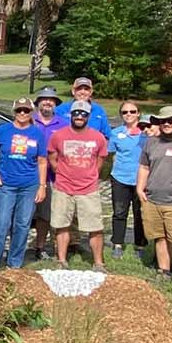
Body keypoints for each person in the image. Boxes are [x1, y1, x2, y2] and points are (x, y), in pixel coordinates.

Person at [0, 98, 48, 270]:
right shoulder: (3, 130)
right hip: (7, 184)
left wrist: (42, 186)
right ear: (14, 111)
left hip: (29, 185)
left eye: (26, 110)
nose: (22, 113)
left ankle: (15, 262)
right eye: (19, 110)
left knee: (22, 224)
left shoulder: (37, 134)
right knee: (1, 223)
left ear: (31, 113)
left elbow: (42, 161)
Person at [48, 102, 110, 271]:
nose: (79, 116)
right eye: (76, 113)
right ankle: (61, 260)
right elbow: (52, 158)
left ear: (88, 116)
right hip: (63, 188)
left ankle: (98, 262)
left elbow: (100, 161)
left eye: (83, 114)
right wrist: (61, 172)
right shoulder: (58, 136)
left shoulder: (98, 137)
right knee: (61, 225)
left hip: (88, 189)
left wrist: (90, 175)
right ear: (71, 115)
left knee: (95, 227)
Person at [136, 106, 172, 281]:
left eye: (171, 121)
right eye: (162, 121)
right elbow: (144, 166)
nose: (166, 124)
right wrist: (139, 188)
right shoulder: (152, 142)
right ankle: (164, 270)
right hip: (152, 199)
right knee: (159, 238)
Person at [107, 101, 150, 260]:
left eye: (132, 111)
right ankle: (117, 243)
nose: (129, 115)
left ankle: (140, 244)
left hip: (142, 179)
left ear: (138, 113)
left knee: (140, 213)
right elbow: (110, 153)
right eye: (125, 112)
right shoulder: (116, 133)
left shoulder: (147, 133)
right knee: (119, 212)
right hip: (120, 177)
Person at [28, 86, 66, 259]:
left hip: (52, 177)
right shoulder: (28, 120)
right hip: (27, 174)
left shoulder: (63, 124)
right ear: (38, 103)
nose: (48, 102)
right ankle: (17, 247)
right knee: (23, 214)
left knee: (45, 215)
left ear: (55, 104)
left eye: (51, 100)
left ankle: (40, 247)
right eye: (44, 99)